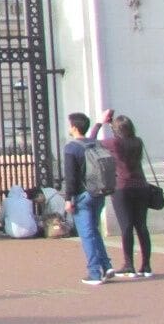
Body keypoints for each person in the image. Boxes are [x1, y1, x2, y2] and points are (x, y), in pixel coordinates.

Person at [92, 109, 153, 278]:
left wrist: (100, 123)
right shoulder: (137, 141)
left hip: (122, 187)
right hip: (141, 185)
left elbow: (90, 142)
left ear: (116, 130)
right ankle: (146, 265)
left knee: (126, 226)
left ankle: (128, 264)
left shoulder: (114, 143)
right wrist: (113, 124)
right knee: (141, 226)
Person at [62, 112, 115, 285]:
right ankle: (106, 266)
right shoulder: (95, 143)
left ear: (74, 128)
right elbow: (91, 137)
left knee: (87, 235)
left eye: (70, 125)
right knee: (94, 231)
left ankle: (94, 273)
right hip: (97, 192)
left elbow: (70, 177)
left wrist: (68, 199)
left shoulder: (71, 148)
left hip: (81, 196)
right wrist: (99, 124)